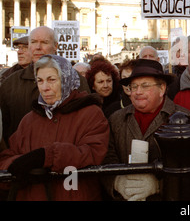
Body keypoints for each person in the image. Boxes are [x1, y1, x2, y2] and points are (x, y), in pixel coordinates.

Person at [0, 54, 109, 200]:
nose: (45, 87)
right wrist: (18, 165)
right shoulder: (29, 120)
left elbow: (93, 153)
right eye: (40, 81)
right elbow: (7, 158)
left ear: (66, 80)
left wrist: (48, 156)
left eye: (52, 80)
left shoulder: (90, 113)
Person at [101, 59, 190, 201]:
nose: (138, 92)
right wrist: (116, 181)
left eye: (145, 86)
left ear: (162, 89)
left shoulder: (185, 119)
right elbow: (107, 156)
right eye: (133, 86)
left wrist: (159, 185)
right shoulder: (116, 119)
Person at [0, 26, 90, 145]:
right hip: (22, 157)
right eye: (33, 42)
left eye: (44, 42)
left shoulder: (75, 79)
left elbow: (88, 122)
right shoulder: (10, 83)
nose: (38, 47)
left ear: (55, 47)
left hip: (65, 156)